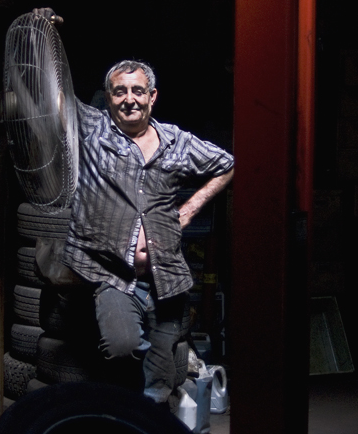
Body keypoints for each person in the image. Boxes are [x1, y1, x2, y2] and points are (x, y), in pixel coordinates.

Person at [60, 51, 235, 405]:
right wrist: (39, 32)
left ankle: (147, 423)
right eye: (120, 92)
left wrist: (190, 209)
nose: (129, 99)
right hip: (114, 277)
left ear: (152, 96)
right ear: (108, 97)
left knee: (159, 376)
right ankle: (125, 409)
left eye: (138, 91)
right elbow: (51, 98)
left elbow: (227, 164)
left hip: (166, 278)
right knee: (122, 346)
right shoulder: (92, 129)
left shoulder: (175, 142)